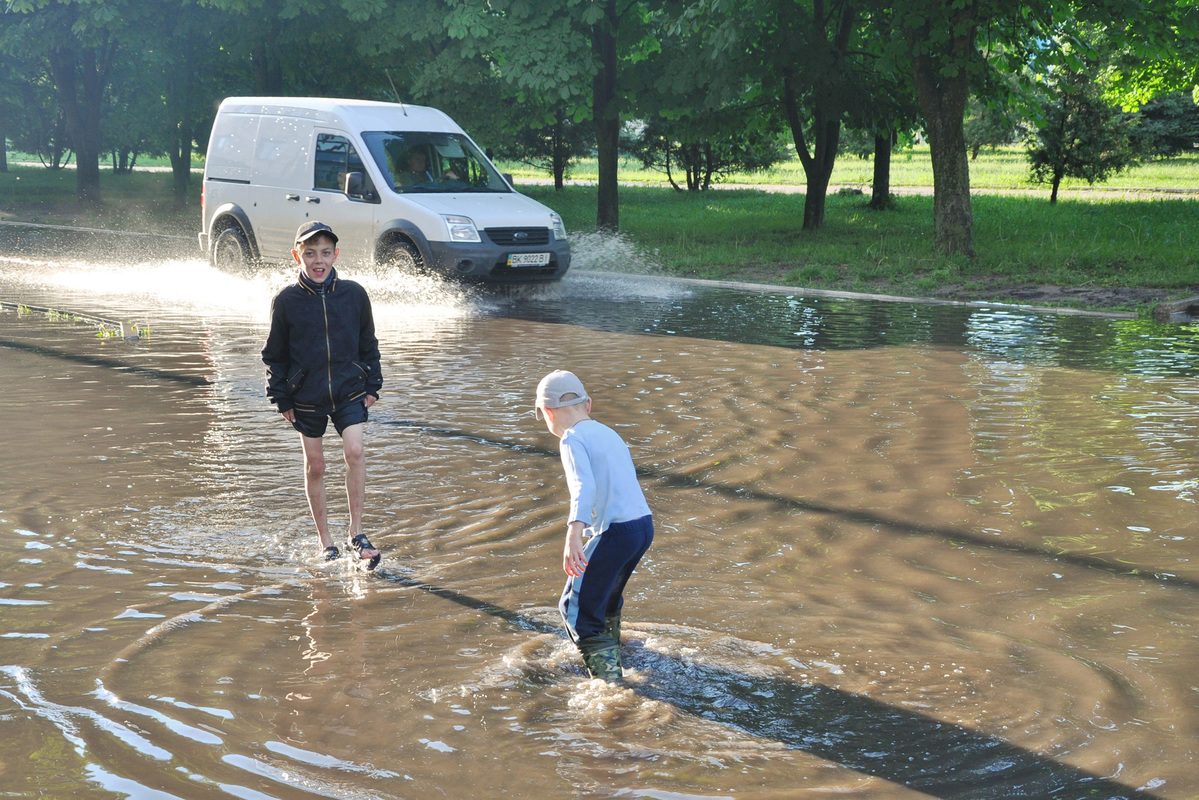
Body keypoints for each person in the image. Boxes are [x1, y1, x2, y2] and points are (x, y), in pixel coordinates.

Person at [262, 221, 383, 569]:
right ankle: (325, 542)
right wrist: (281, 397)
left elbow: (368, 343)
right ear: (297, 255)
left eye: (326, 253)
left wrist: (372, 384)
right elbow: (274, 354)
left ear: (336, 255)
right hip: (306, 396)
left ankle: (356, 534)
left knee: (355, 450)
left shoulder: (355, 294)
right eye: (310, 253)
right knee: (316, 466)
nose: (319, 261)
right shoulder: (286, 300)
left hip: (349, 390)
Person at [534, 370, 654, 681]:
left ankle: (611, 685)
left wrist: (574, 533)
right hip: (642, 527)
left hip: (617, 532)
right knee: (605, 597)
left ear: (548, 412)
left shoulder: (572, 438)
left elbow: (582, 488)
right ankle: (617, 653)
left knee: (575, 609)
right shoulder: (608, 432)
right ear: (589, 404)